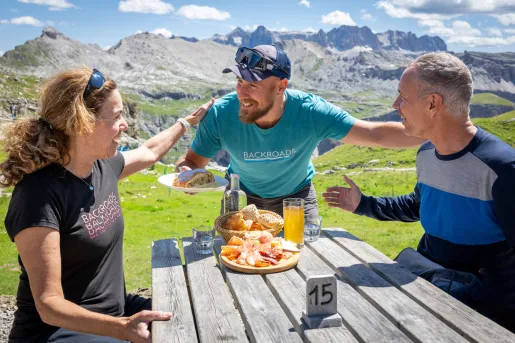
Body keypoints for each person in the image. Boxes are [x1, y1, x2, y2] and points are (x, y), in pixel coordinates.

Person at [1, 68, 214, 342]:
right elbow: (49, 304)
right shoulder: (38, 195)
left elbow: (150, 151)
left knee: (197, 316)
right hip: (58, 331)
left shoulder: (102, 166)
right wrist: (122, 328)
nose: (125, 124)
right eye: (116, 117)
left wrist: (186, 122)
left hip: (116, 312)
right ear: (82, 124)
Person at [323, 52, 515, 332]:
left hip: (479, 310)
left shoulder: (502, 167)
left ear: (433, 103)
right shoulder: (426, 152)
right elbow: (418, 205)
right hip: (428, 283)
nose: (395, 105)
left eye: (403, 97)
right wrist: (363, 204)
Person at [175, 45, 424, 217]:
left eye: (252, 84)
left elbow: (373, 134)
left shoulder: (311, 111)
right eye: (239, 82)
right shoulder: (220, 114)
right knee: (238, 265)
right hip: (241, 198)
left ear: (281, 86)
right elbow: (191, 162)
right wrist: (185, 175)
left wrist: (436, 132)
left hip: (298, 200)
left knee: (304, 266)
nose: (242, 93)